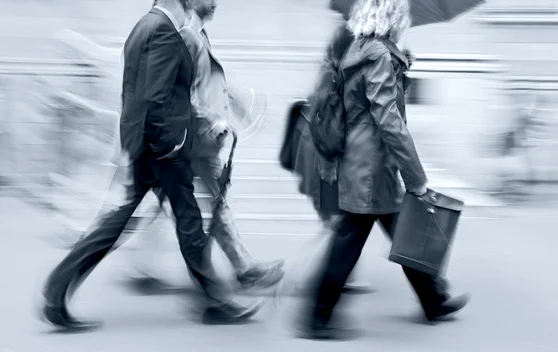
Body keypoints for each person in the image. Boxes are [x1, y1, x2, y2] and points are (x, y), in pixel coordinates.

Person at [40, 0, 261, 332]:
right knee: (187, 221)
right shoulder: (162, 30)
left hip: (147, 146)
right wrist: (167, 144)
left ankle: (57, 290)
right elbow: (153, 97)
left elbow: (140, 94)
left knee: (121, 222)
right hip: (163, 150)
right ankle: (214, 301)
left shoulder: (144, 26)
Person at [297, 0, 469, 340]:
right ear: (392, 15)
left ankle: (433, 299)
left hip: (367, 162)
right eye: (401, 13)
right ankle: (317, 317)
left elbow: (367, 102)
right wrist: (416, 177)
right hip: (372, 165)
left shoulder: (365, 49)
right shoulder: (379, 55)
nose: (406, 18)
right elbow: (388, 120)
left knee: (403, 225)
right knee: (349, 238)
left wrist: (400, 69)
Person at [124, 0, 284, 295]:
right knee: (207, 204)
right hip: (195, 139)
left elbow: (206, 82)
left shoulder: (197, 34)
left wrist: (237, 102)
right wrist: (213, 121)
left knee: (183, 202)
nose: (215, 2)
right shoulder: (186, 35)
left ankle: (145, 265)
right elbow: (183, 93)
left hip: (198, 140)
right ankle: (237, 270)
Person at [291, 0, 374, 294]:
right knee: (342, 217)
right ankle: (325, 286)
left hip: (331, 147)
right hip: (331, 149)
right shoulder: (348, 52)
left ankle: (335, 279)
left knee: (342, 217)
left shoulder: (342, 59)